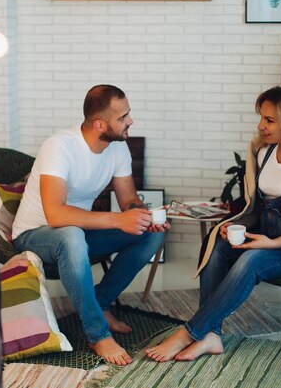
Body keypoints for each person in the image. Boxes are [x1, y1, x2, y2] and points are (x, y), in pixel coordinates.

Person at [146, 85, 281, 362]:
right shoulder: (264, 154)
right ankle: (211, 336)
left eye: (269, 120)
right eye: (261, 117)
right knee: (216, 245)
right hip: (268, 240)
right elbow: (256, 206)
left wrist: (271, 243)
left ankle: (189, 333)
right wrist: (236, 226)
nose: (261, 126)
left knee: (251, 260)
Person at [12, 84, 170, 366]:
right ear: (100, 124)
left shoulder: (117, 149)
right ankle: (97, 334)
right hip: (34, 236)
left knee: (149, 236)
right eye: (122, 117)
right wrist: (118, 220)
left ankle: (101, 303)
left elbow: (129, 200)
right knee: (72, 235)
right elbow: (56, 216)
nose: (130, 121)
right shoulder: (59, 146)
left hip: (78, 233)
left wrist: (144, 217)